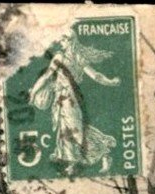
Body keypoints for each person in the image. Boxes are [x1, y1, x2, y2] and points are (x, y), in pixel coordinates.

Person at [29, 34, 120, 176]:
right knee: (66, 127)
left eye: (63, 40)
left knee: (74, 129)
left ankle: (102, 151)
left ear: (71, 41)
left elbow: (95, 75)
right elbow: (47, 76)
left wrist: (110, 82)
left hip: (70, 98)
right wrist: (34, 92)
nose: (61, 42)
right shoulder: (63, 57)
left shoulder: (74, 58)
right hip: (61, 98)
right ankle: (67, 157)